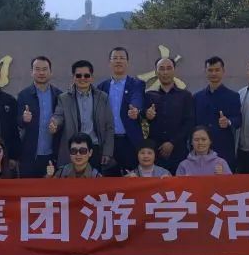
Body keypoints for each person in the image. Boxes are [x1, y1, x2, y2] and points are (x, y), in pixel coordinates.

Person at [173, 127, 230, 255]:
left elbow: (231, 187)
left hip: (215, 204)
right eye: (196, 140)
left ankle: (217, 254)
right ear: (191, 142)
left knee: (215, 215)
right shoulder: (184, 165)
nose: (200, 143)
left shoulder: (221, 162)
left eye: (204, 139)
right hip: (192, 204)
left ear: (210, 141)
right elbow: (176, 189)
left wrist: (222, 176)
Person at [50, 60, 115, 169]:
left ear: (92, 77)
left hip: (95, 149)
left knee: (94, 180)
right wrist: (55, 124)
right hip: (73, 150)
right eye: (78, 75)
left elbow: (109, 126)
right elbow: (58, 116)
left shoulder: (103, 97)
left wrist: (107, 152)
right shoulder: (64, 98)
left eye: (86, 75)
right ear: (73, 77)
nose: (82, 78)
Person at [97, 46, 146, 175]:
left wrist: (135, 109)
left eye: (122, 58)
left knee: (131, 178)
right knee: (109, 180)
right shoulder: (102, 87)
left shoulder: (136, 84)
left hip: (129, 141)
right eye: (115, 58)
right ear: (109, 63)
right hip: (108, 142)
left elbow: (137, 98)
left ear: (127, 62)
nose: (118, 61)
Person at [144, 57, 195, 174]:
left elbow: (189, 122)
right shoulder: (149, 96)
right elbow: (142, 118)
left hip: (179, 151)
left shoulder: (185, 96)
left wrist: (172, 142)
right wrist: (146, 115)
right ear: (156, 72)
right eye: (161, 69)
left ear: (174, 71)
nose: (165, 72)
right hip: (155, 152)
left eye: (169, 68)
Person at [16, 56, 63, 178]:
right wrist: (23, 119)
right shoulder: (23, 95)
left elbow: (63, 120)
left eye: (45, 69)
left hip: (52, 155)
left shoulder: (59, 95)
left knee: (50, 189)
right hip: (29, 156)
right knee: (28, 188)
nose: (41, 73)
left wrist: (57, 125)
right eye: (37, 69)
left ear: (51, 72)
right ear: (31, 72)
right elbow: (16, 122)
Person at [194, 56, 242, 173]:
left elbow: (238, 119)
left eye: (217, 70)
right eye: (210, 70)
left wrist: (228, 122)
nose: (213, 73)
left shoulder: (233, 96)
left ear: (223, 71)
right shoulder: (197, 97)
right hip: (200, 149)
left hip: (223, 148)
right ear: (205, 72)